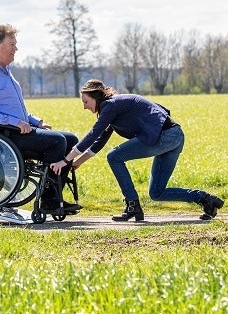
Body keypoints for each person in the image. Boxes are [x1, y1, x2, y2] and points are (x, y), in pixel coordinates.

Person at [50, 79, 224, 221]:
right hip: (175, 136)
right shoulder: (113, 108)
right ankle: (205, 199)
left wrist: (65, 160)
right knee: (156, 192)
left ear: (96, 97)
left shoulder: (110, 106)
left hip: (165, 136)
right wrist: (76, 162)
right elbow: (99, 141)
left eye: (86, 102)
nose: (84, 106)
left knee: (114, 156)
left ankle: (132, 204)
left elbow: (93, 134)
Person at [0, 23, 80, 213]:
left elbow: (17, 112)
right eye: (12, 44)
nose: (16, 49)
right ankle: (49, 200)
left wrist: (37, 122)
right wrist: (17, 123)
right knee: (57, 142)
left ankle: (53, 196)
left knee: (71, 139)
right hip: (6, 137)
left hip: (20, 130)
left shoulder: (7, 75)